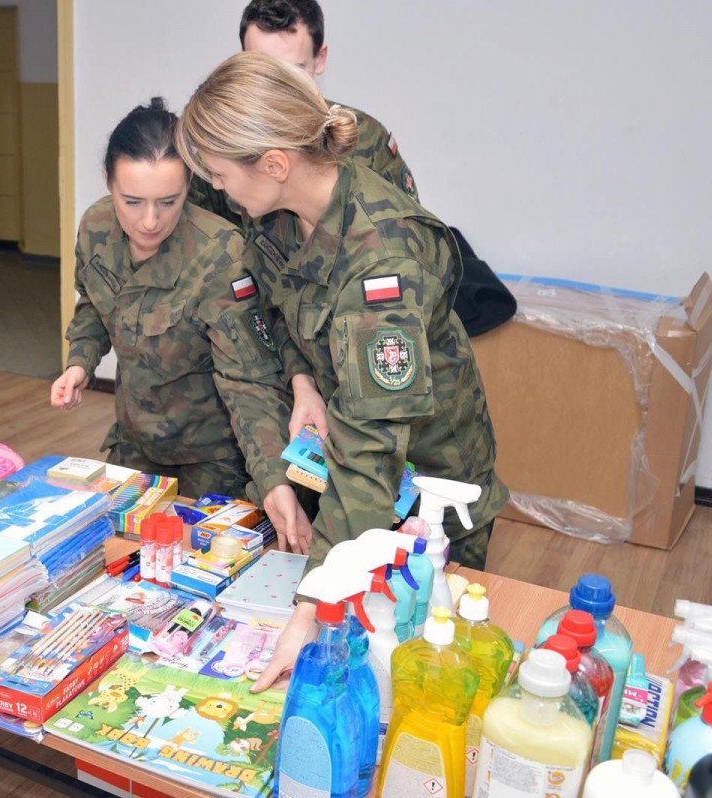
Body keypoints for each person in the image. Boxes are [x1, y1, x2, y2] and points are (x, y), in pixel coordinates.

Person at [175, 53, 509, 690]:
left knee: (415, 665)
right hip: (356, 456)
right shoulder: (276, 208)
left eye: (219, 174)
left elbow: (373, 449)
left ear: (274, 164)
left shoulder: (384, 257)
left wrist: (309, 607)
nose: (217, 189)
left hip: (430, 485)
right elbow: (289, 305)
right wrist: (303, 379)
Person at [51, 98, 310, 551]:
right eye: (131, 201)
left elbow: (250, 382)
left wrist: (273, 479)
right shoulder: (95, 226)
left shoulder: (221, 255)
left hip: (208, 463)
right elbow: (93, 302)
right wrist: (80, 362)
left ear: (190, 183)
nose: (149, 221)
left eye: (167, 202)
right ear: (108, 184)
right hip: (134, 447)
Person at [189, 0, 417, 226]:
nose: (278, 88)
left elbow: (408, 234)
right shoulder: (222, 148)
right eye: (262, 71)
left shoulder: (367, 140)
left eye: (293, 72)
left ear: (320, 58)